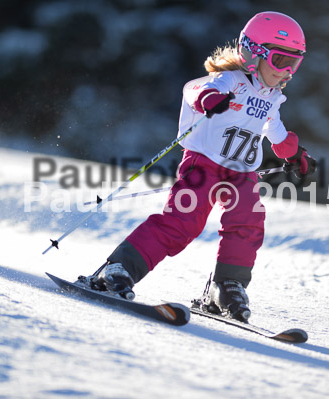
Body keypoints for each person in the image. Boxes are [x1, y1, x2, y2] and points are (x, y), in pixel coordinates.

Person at [84, 11, 316, 322]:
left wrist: (294, 154)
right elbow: (195, 89)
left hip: (241, 175)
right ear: (253, 54)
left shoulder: (272, 97)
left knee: (248, 221)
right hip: (203, 165)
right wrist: (209, 98)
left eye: (294, 63)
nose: (287, 71)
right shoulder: (231, 80)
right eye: (280, 61)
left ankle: (225, 286)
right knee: (181, 224)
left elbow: (276, 132)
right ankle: (118, 268)